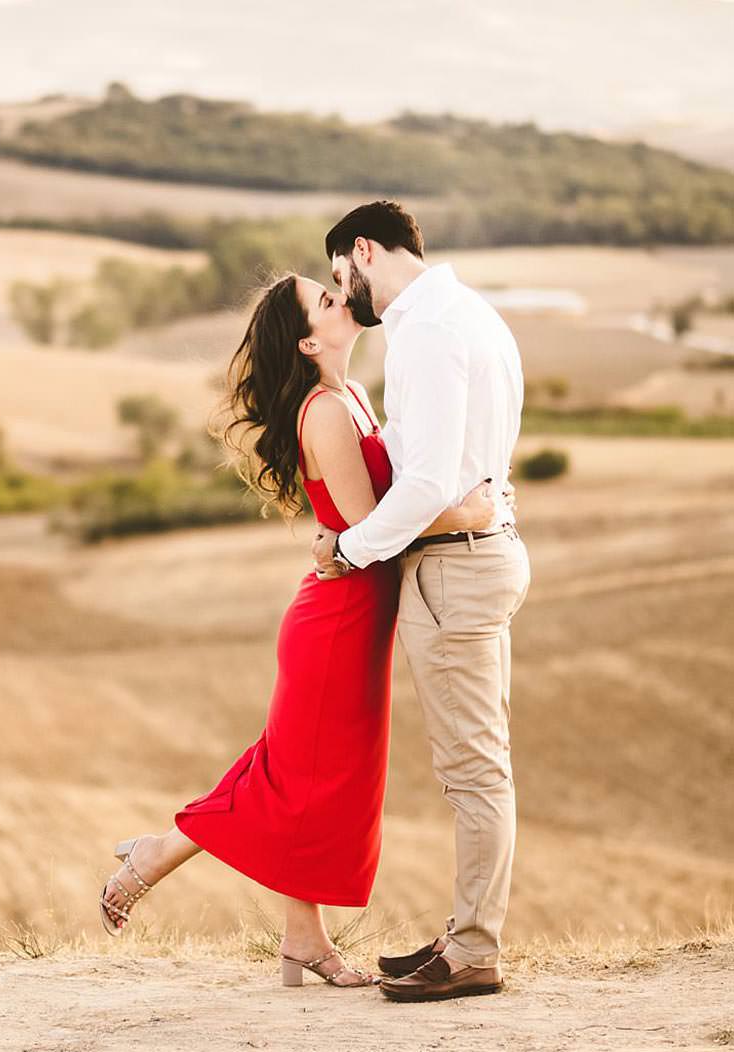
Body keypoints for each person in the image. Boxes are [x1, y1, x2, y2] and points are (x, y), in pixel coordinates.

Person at [98, 270, 502, 989]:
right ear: (311, 341)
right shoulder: (326, 412)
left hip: (354, 614)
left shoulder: (352, 396)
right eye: (325, 299)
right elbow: (369, 521)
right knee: (300, 779)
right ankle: (155, 856)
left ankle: (301, 941)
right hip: (337, 623)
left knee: (315, 782)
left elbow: (372, 516)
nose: (344, 298)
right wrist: (467, 514)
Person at [313, 200, 531, 1003]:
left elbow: (430, 482)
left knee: (473, 773)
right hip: (483, 551)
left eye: (342, 274)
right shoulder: (469, 311)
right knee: (478, 767)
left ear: (363, 250)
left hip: (452, 566)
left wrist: (348, 547)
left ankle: (474, 949)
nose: (346, 293)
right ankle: (464, 931)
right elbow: (470, 462)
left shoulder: (427, 330)